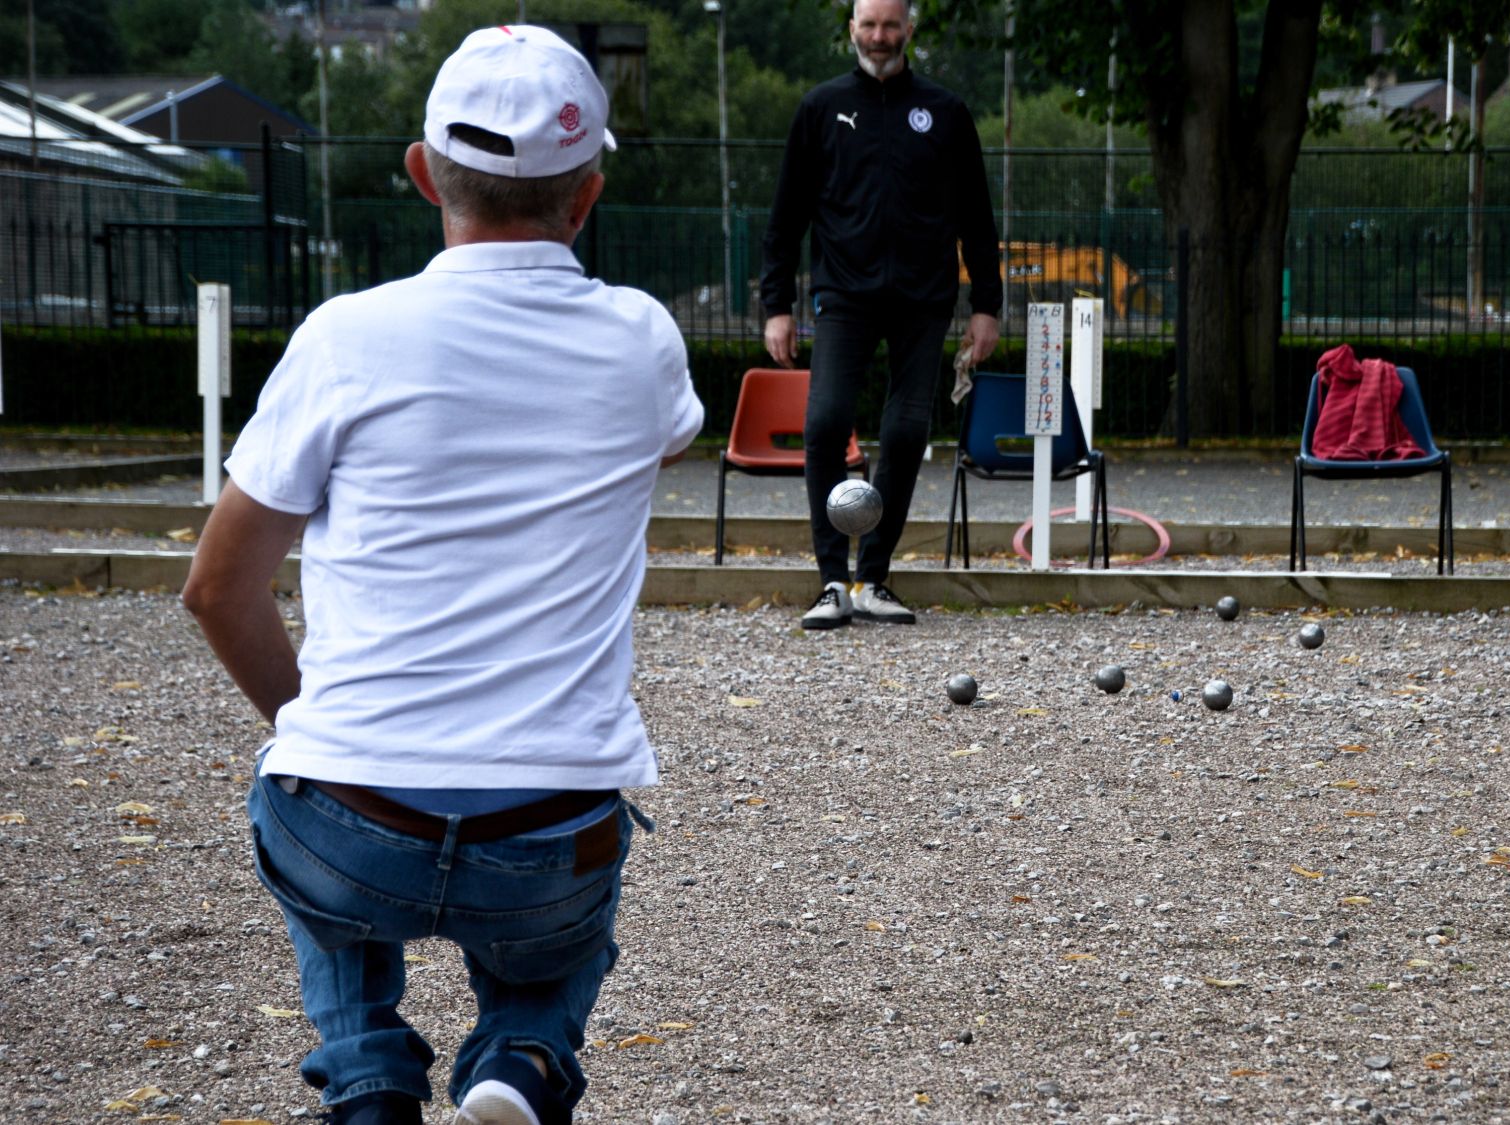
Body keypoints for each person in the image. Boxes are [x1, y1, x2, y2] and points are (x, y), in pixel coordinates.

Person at [181, 25, 703, 1125]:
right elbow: (666, 440)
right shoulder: (643, 344)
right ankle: (522, 1055)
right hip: (547, 838)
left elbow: (218, 590)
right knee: (555, 930)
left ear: (423, 174)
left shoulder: (344, 339)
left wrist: (320, 727)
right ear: (589, 192)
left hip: (352, 823)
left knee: (298, 795)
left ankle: (368, 1070)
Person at [759, 0, 1003, 629]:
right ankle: (831, 580)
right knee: (826, 422)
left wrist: (987, 307)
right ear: (852, 31)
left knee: (903, 435)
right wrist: (775, 306)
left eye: (890, 25)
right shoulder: (820, 107)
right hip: (844, 295)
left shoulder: (945, 112)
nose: (879, 36)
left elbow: (977, 217)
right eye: (868, 25)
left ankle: (875, 577)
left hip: (925, 300)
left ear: (909, 31)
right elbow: (786, 215)